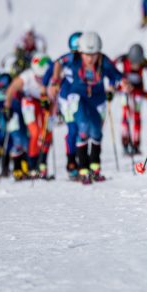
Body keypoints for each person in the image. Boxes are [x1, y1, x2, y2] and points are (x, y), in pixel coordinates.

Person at [46, 31, 124, 184]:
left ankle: (95, 168)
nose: (90, 58)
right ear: (81, 52)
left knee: (96, 132)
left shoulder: (103, 61)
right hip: (78, 97)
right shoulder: (73, 58)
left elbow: (117, 76)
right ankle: (82, 169)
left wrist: (119, 86)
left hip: (97, 100)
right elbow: (58, 63)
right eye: (87, 54)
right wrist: (55, 81)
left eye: (94, 54)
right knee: (82, 129)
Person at [4, 53, 53, 180]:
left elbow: (56, 91)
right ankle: (32, 166)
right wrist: (7, 106)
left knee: (47, 133)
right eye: (39, 77)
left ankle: (42, 165)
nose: (41, 80)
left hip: (45, 102)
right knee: (35, 132)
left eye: (44, 78)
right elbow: (11, 89)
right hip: (30, 102)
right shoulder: (27, 76)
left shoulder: (52, 74)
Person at [43, 31, 82, 179]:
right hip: (68, 99)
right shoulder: (67, 58)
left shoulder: (89, 58)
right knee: (73, 129)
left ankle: (83, 161)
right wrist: (48, 87)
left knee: (84, 129)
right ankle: (72, 162)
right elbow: (50, 72)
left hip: (83, 98)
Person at [115, 43, 147, 155]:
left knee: (137, 117)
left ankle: (136, 144)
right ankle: (125, 142)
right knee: (125, 115)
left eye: (137, 63)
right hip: (125, 92)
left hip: (138, 93)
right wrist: (117, 88)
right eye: (133, 62)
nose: (135, 65)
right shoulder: (123, 60)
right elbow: (112, 70)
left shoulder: (144, 63)